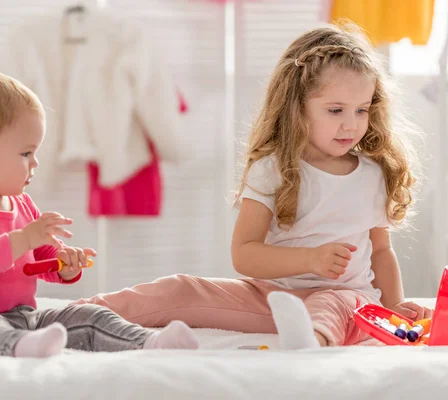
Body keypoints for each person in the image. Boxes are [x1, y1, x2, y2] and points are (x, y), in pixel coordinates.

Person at [74, 23, 433, 349]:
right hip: (273, 298)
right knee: (181, 288)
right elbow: (244, 254)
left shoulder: (372, 174)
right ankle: (77, 314)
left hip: (350, 300)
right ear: (297, 108)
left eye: (362, 110)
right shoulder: (273, 169)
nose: (351, 125)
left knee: (332, 302)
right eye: (335, 110)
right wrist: (309, 259)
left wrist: (391, 308)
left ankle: (310, 343)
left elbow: (382, 252)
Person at [0, 67, 199, 357]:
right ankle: (18, 346)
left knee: (89, 315)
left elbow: (40, 257)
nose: (35, 163)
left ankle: (149, 341)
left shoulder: (22, 204)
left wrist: (63, 264)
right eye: (26, 153)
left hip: (22, 318)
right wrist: (25, 238)